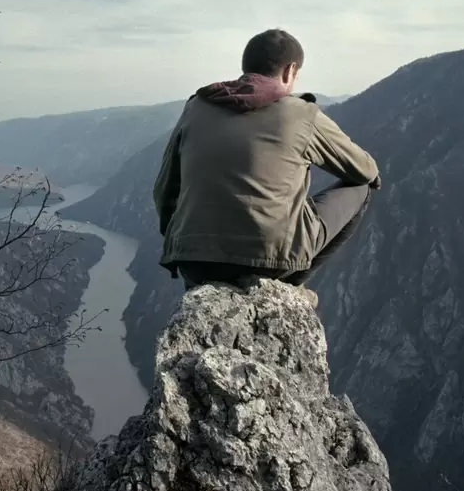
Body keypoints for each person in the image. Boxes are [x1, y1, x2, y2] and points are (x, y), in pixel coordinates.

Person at [152, 28, 380, 307]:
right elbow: (365, 170)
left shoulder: (196, 107)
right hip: (269, 263)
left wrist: (181, 238)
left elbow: (164, 190)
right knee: (361, 188)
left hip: (194, 262)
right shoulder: (300, 113)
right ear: (290, 70)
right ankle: (289, 285)